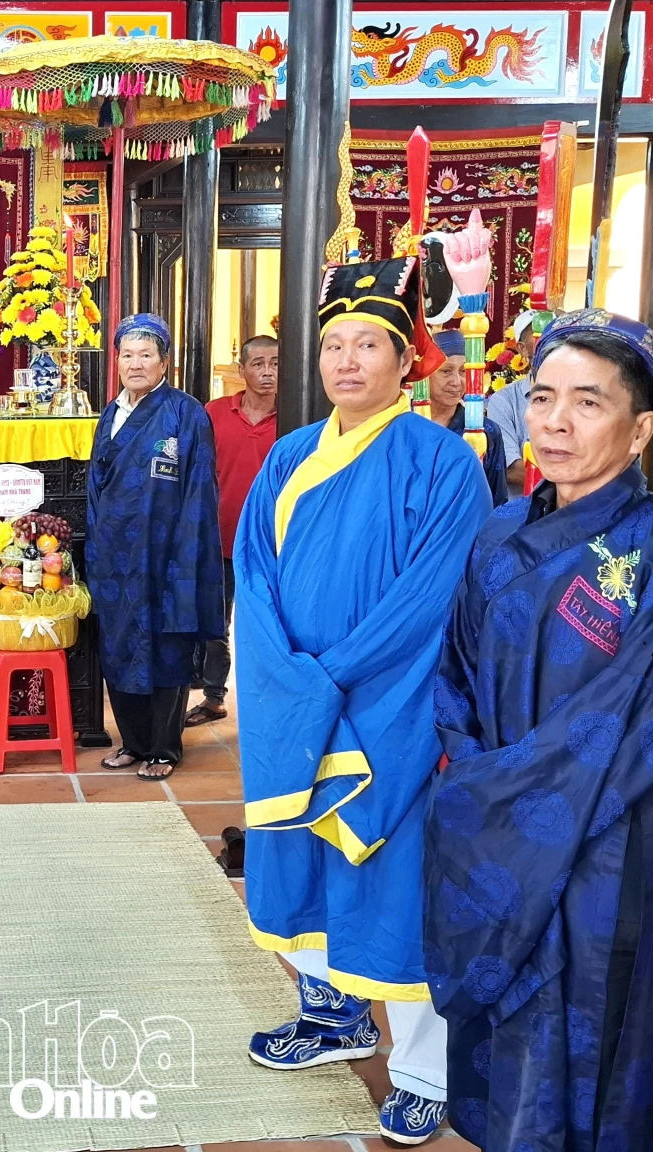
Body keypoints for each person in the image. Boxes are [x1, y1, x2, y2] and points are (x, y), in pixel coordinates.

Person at [425, 311, 653, 1152]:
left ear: (641, 430)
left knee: (601, 1052)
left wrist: (490, 802)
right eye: (543, 396)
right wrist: (479, 797)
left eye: (587, 404)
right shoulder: (498, 534)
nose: (553, 422)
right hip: (495, 840)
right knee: (507, 1052)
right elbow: (453, 679)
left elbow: (636, 734)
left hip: (610, 852)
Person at [238, 256, 490, 1146]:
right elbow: (254, 580)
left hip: (391, 698)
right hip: (295, 695)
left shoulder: (442, 463)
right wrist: (285, 680)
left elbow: (431, 597)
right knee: (293, 861)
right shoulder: (289, 456)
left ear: (404, 358)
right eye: (334, 344)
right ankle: (329, 1013)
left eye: (368, 344)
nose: (347, 361)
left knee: (394, 872)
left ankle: (424, 1067)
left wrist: (329, 678)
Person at [85, 312, 224, 781]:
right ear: (117, 362)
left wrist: (189, 554)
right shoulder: (111, 413)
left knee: (166, 647)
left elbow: (199, 490)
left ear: (165, 363)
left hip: (167, 554)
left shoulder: (186, 413)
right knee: (120, 645)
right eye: (128, 355)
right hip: (116, 555)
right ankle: (133, 742)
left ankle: (165, 748)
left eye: (147, 355)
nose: (136, 363)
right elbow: (94, 488)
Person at [191, 335, 279, 726]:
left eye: (276, 363)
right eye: (258, 363)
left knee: (267, 624)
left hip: (273, 542)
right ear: (241, 370)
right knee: (215, 623)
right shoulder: (213, 413)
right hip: (219, 537)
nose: (267, 372)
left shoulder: (299, 414)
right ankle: (213, 697)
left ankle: (268, 704)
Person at [424, 328, 508, 508]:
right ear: (425, 375)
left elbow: (497, 501)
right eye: (446, 371)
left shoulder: (486, 431)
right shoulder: (404, 425)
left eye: (463, 371)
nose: (456, 381)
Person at [483, 313, 539, 493]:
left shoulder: (578, 396)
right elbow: (512, 470)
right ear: (522, 349)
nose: (550, 343)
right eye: (539, 335)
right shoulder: (504, 401)